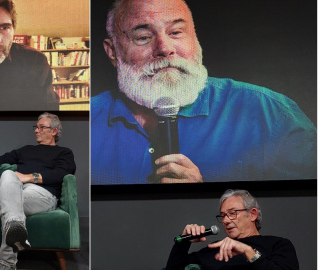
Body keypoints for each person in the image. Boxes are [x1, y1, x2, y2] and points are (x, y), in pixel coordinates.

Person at [90, 0, 317, 184]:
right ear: (112, 52)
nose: (165, 48)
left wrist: (204, 194)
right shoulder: (89, 122)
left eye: (176, 32)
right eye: (143, 37)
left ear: (195, 38)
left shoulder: (272, 114)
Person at [0, 112, 76, 270]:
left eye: (42, 127)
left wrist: (29, 177)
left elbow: (62, 173)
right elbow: (4, 158)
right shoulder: (27, 149)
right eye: (36, 127)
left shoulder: (64, 152)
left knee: (6, 205)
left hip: (43, 195)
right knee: (8, 174)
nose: (36, 130)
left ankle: (7, 265)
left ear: (54, 131)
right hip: (17, 192)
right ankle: (14, 229)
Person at [166, 189, 299, 269]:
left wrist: (247, 251)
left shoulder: (277, 245)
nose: (225, 220)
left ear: (252, 214)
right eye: (223, 215)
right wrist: (183, 242)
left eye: (232, 213)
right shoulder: (215, 248)